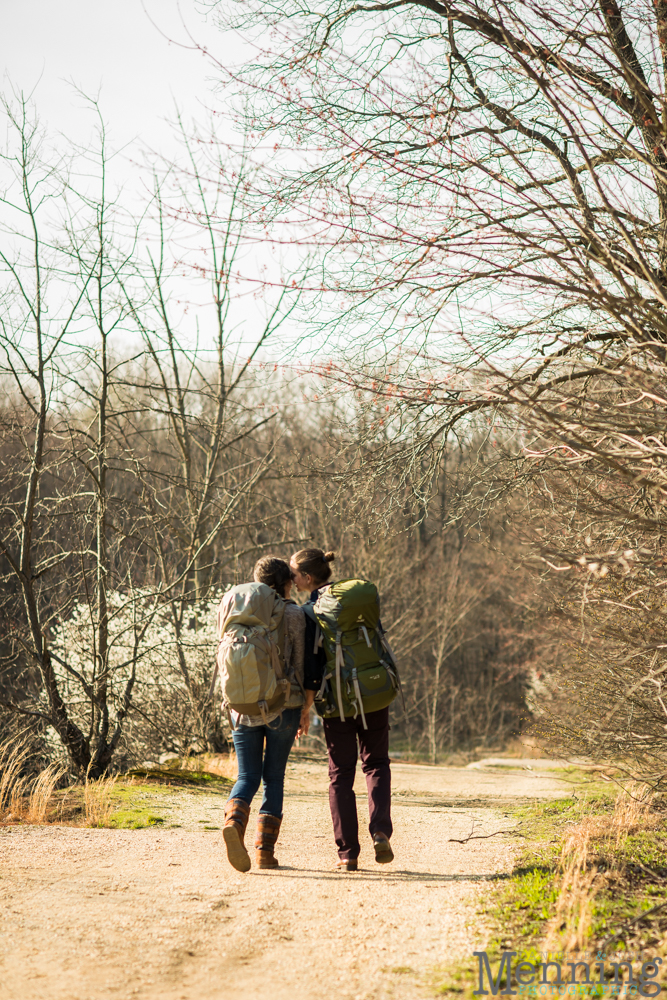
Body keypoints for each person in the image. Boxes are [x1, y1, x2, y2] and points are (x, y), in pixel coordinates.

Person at [290, 547, 394, 873]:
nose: (292, 580)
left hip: (337, 703)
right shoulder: (355, 601)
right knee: (376, 763)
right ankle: (380, 830)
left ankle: (348, 853)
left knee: (340, 777)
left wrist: (305, 709)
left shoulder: (310, 612)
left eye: (295, 575)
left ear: (307, 578)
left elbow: (311, 667)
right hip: (373, 692)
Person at [222, 556, 308, 872]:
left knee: (246, 776)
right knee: (273, 778)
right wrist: (305, 708)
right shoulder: (295, 614)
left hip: (242, 706)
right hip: (283, 706)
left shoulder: (236, 611)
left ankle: (234, 822)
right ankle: (264, 852)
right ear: (287, 583)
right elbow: (300, 665)